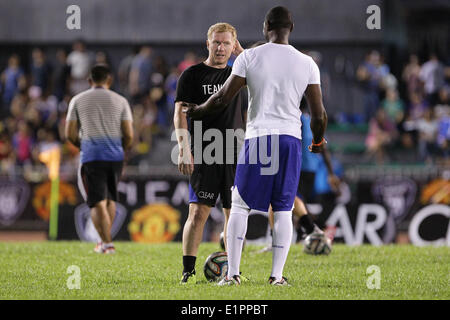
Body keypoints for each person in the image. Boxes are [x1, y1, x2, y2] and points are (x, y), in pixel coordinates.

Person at [185, 6, 327, 286]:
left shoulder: (249, 57)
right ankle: (276, 277)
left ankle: (233, 274)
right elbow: (319, 114)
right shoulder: (307, 63)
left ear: (265, 27)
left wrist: (197, 111)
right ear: (292, 27)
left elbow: (224, 97)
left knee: (239, 206)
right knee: (284, 208)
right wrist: (319, 140)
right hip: (290, 139)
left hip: (259, 138)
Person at [175, 22, 246, 284]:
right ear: (208, 43)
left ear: (233, 46)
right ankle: (187, 271)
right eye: (216, 42)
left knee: (234, 215)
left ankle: (232, 270)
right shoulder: (192, 75)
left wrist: (243, 54)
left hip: (235, 154)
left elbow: (248, 115)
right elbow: (179, 113)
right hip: (204, 153)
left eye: (227, 43)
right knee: (197, 213)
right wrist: (183, 148)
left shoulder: (240, 74)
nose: (220, 47)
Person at [65, 65, 134, 254]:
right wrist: (121, 149)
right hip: (115, 157)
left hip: (91, 156)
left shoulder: (78, 100)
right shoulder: (121, 101)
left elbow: (69, 133)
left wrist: (83, 144)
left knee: (96, 201)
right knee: (110, 199)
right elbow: (128, 134)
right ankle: (104, 242)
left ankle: (106, 243)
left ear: (89, 81)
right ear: (109, 80)